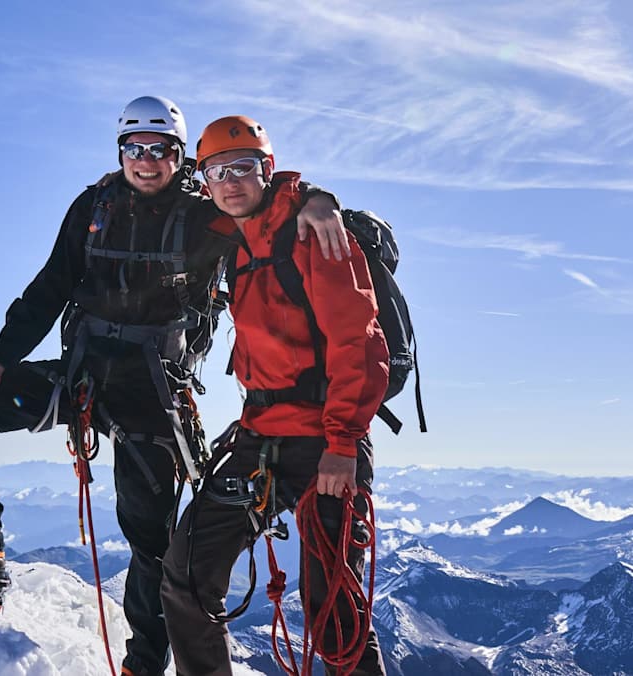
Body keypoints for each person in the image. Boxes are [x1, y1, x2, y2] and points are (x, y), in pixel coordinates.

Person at [0, 97, 346, 676]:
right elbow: (50, 287)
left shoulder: (207, 213)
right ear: (121, 152)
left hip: (154, 397)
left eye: (161, 151)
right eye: (136, 149)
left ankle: (143, 666)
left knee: (150, 542)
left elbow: (260, 201)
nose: (148, 161)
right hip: (81, 379)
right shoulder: (93, 207)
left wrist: (316, 200)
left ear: (180, 158)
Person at [160, 115, 390, 675]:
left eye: (244, 168)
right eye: (218, 171)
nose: (231, 181)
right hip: (260, 437)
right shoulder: (232, 242)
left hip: (325, 444)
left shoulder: (315, 234)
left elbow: (358, 343)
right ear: (204, 180)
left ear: (267, 169)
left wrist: (342, 443)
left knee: (331, 607)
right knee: (186, 577)